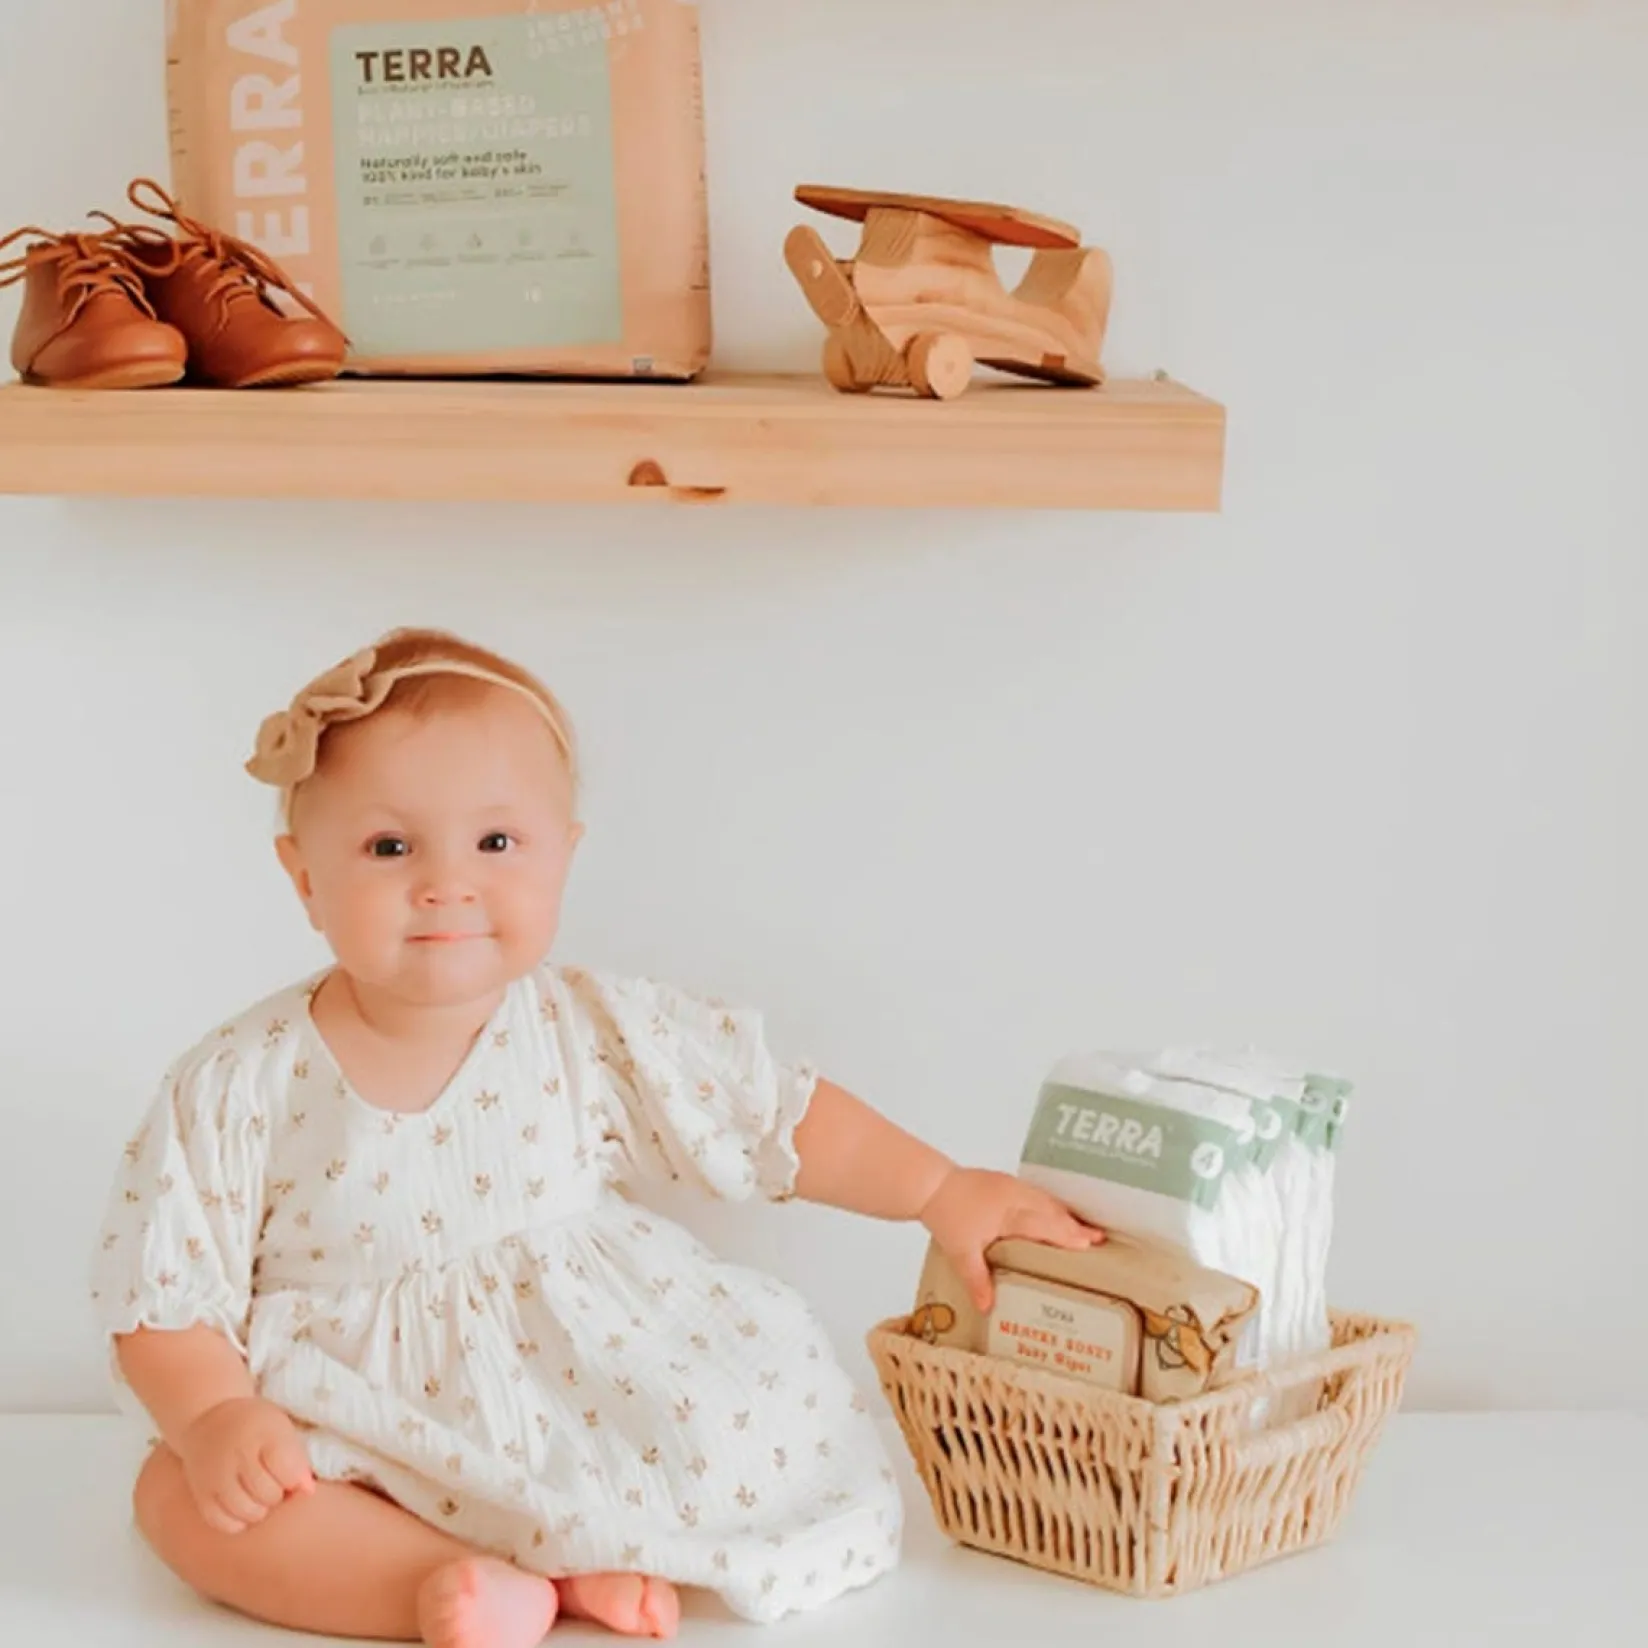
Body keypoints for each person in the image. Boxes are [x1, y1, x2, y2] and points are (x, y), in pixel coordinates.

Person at [89, 627, 1101, 1647]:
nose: (446, 884)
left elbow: (765, 1111)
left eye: (495, 843)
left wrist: (937, 1189)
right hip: (353, 1424)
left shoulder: (584, 1027)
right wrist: (213, 1417)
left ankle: (578, 1554)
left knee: (726, 1419)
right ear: (303, 876)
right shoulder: (238, 1081)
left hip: (573, 1400)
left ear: (563, 855)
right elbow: (164, 1291)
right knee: (178, 1496)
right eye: (390, 848)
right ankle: (441, 1581)